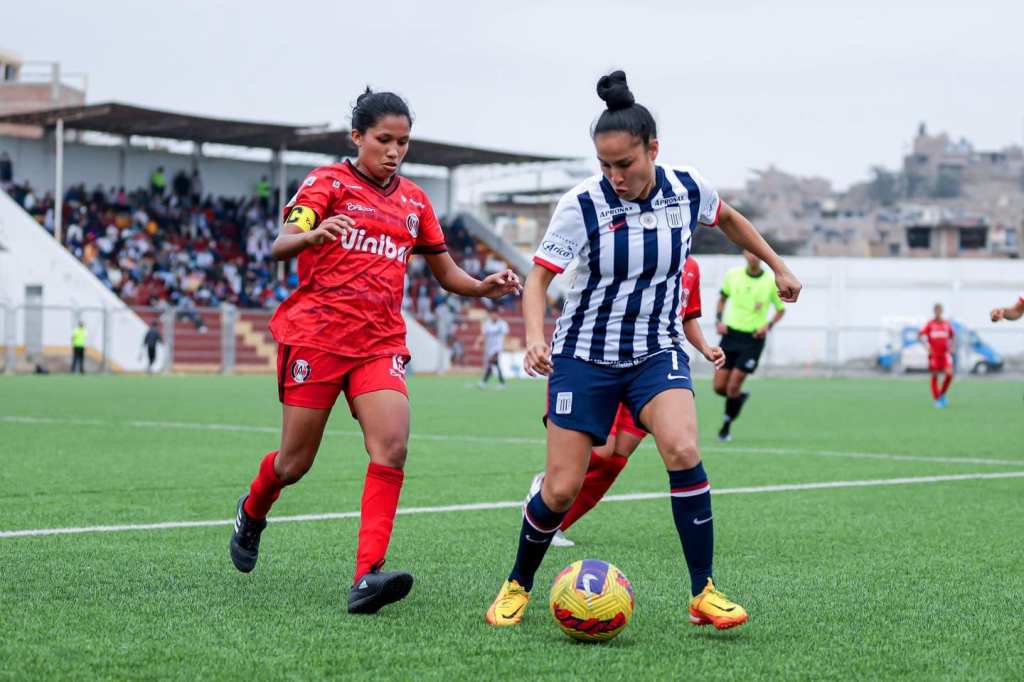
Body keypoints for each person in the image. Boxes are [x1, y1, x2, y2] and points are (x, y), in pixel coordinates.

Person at [485, 71, 801, 631]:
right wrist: (536, 338)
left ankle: (703, 593)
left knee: (682, 449)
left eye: (625, 163)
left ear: (653, 148)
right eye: (605, 165)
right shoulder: (580, 204)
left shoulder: (687, 187)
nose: (615, 176)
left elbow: (728, 219)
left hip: (657, 350)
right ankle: (518, 583)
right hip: (584, 354)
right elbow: (538, 280)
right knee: (559, 488)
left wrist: (778, 265)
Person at [228, 88, 522, 615]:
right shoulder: (326, 183)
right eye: (383, 140)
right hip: (316, 338)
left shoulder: (414, 201)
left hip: (379, 343)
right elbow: (279, 244)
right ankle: (252, 510)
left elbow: (445, 271)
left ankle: (367, 576)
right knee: (294, 464)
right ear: (357, 137)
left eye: (403, 142)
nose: (394, 151)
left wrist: (483, 286)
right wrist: (313, 234)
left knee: (392, 446)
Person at [525, 256, 725, 548]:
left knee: (616, 460)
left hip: (651, 369)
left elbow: (687, 315)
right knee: (603, 451)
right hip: (607, 360)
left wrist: (705, 347)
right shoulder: (635, 246)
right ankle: (548, 486)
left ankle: (557, 525)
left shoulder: (690, 267)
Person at [713, 250, 786, 441]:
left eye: (756, 253)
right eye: (749, 252)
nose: (753, 256)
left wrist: (767, 325)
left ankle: (725, 428)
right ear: (744, 254)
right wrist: (719, 320)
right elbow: (722, 300)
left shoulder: (771, 281)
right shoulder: (732, 275)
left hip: (753, 339)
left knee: (733, 386)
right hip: (730, 335)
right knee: (719, 387)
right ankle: (738, 398)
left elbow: (780, 310)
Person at [919, 303, 956, 408]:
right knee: (935, 375)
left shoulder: (946, 324)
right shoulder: (930, 324)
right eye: (936, 310)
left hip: (945, 354)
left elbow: (953, 336)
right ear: (934, 311)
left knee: (949, 374)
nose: (938, 312)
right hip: (934, 355)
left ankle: (942, 394)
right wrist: (927, 348)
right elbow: (920, 336)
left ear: (942, 311)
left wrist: (952, 346)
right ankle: (937, 399)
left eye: (940, 310)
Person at [477, 309, 509, 389]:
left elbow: (505, 336)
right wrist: (478, 343)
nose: (494, 316)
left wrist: (505, 346)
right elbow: (483, 335)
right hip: (489, 348)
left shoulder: (502, 324)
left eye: (495, 314)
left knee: (492, 362)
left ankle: (484, 382)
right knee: (493, 365)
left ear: (498, 315)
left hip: (497, 348)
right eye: (492, 314)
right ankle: (501, 382)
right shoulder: (487, 324)